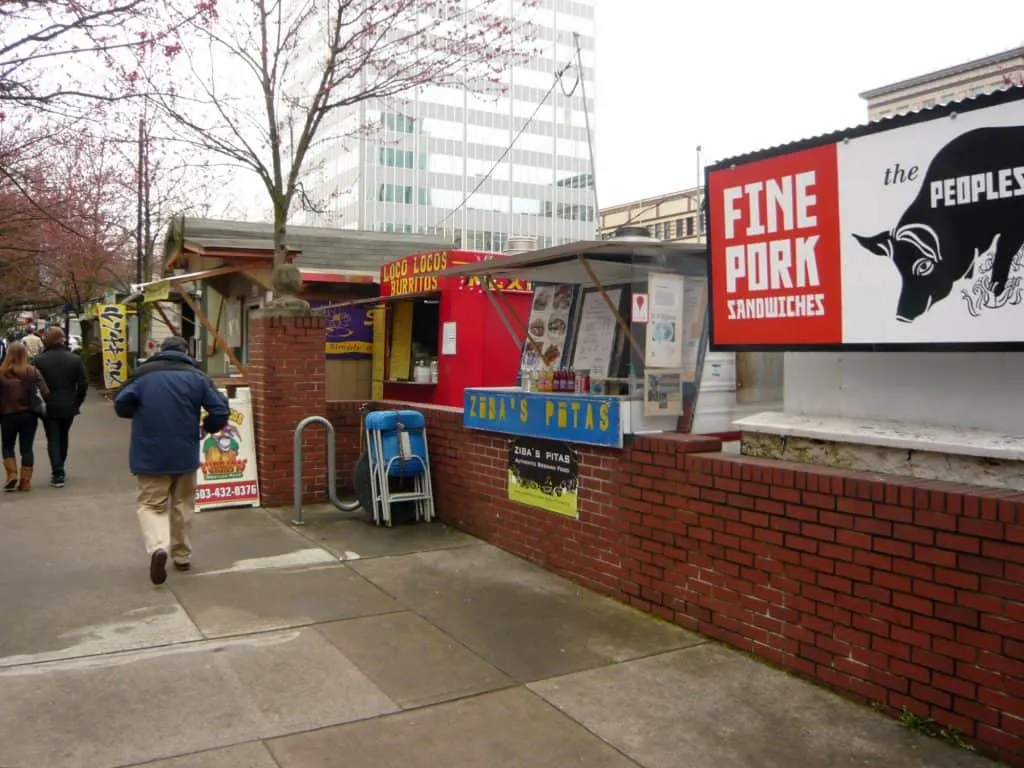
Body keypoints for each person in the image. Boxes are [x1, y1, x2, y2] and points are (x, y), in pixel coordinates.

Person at [114, 336, 229, 585]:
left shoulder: (143, 374)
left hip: (150, 453)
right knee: (183, 504)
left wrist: (138, 411)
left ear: (161, 351)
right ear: (186, 351)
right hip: (184, 451)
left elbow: (121, 403)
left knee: (151, 505)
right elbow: (220, 410)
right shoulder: (196, 376)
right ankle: (182, 555)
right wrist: (207, 427)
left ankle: (158, 548)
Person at [34, 327, 88, 488]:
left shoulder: (39, 360)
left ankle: (57, 472)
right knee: (63, 436)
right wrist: (77, 402)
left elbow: (31, 382)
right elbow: (83, 384)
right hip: (68, 404)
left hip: (48, 404)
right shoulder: (74, 360)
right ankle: (60, 466)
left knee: (53, 438)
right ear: (63, 339)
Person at [0, 341, 50, 492]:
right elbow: (45, 392)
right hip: (29, 415)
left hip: (7, 415)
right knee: (26, 448)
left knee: (7, 446)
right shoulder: (32, 371)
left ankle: (12, 474)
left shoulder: (1, 372)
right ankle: (25, 482)